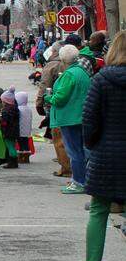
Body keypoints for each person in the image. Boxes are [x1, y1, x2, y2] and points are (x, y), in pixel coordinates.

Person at [75, 31, 126, 261]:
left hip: (106, 152)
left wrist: (93, 145)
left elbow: (89, 118)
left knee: (98, 211)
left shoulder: (101, 80)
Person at [47, 45, 91, 195]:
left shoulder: (69, 74)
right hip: (81, 115)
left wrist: (49, 98)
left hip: (69, 117)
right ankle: (83, 179)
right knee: (82, 150)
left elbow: (60, 98)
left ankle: (78, 181)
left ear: (63, 59)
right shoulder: (82, 72)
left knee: (74, 151)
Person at [36, 41, 69, 178]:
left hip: (54, 103)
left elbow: (44, 84)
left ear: (55, 51)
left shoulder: (51, 65)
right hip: (70, 105)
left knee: (58, 136)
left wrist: (39, 102)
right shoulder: (72, 65)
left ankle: (65, 167)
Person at [0, 88, 20, 169]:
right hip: (14, 131)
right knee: (12, 145)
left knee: (10, 146)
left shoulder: (6, 110)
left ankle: (12, 162)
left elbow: (4, 122)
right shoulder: (15, 108)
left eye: (3, 101)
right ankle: (14, 161)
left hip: (8, 131)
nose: (2, 102)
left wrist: (0, 120)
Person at [15, 91, 33, 164]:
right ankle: (26, 158)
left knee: (20, 144)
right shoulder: (29, 109)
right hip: (27, 130)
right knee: (26, 143)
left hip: (20, 129)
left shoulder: (18, 109)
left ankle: (21, 157)